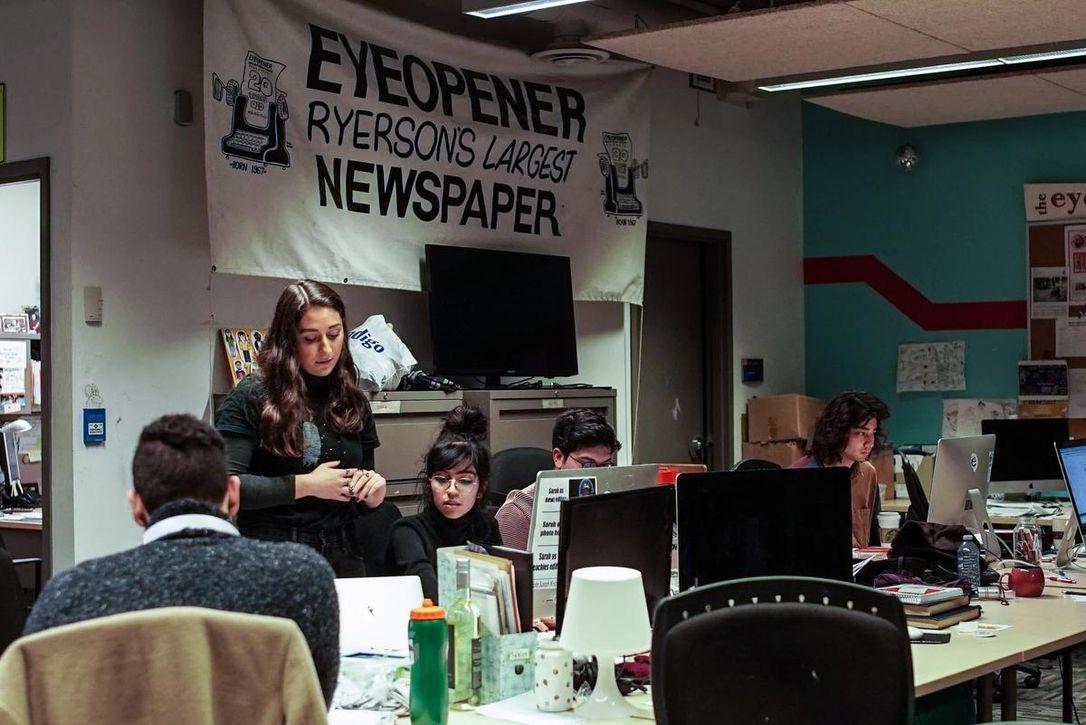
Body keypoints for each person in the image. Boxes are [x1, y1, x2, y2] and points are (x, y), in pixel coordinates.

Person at [24, 414, 341, 707]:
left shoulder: (69, 595)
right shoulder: (302, 578)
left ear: (136, 506)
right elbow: (313, 706)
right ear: (233, 496)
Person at [215, 280, 385, 577]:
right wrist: (305, 485)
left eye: (335, 334)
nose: (326, 349)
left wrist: (371, 494)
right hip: (273, 554)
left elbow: (359, 492)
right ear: (288, 340)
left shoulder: (353, 400)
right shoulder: (253, 395)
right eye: (310, 339)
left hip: (342, 551)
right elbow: (225, 489)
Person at [388, 406, 501, 601]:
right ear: (429, 483)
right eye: (441, 479)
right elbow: (430, 595)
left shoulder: (487, 526)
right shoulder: (407, 531)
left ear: (481, 489)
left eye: (464, 481)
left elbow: (499, 591)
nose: (451, 490)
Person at [496, 408, 621, 550]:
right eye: (588, 465)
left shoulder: (610, 502)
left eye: (605, 465)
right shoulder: (517, 513)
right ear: (558, 457)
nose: (597, 475)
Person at [789, 391, 890, 547]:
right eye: (861, 433)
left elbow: (874, 540)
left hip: (858, 566)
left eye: (873, 433)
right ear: (838, 433)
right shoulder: (801, 475)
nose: (869, 442)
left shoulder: (868, 473)